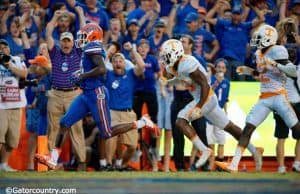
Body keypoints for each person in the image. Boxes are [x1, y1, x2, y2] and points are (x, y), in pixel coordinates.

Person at [35, 23, 156, 170]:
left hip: (97, 93)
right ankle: (53, 160)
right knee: (64, 123)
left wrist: (82, 75)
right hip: (86, 93)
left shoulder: (94, 48)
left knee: (107, 133)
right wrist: (81, 77)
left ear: (92, 36)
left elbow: (102, 69)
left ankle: (142, 122)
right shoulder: (87, 49)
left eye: (84, 35)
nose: (80, 38)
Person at [160, 38, 263, 171]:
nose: (164, 59)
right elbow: (174, 77)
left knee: (181, 120)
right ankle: (255, 150)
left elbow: (204, 84)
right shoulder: (174, 64)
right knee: (229, 127)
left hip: (205, 97)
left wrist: (198, 106)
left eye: (166, 55)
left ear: (175, 54)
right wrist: (167, 80)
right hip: (206, 99)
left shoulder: (188, 63)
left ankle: (204, 150)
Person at [216, 24, 300, 172]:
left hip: (280, 96)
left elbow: (292, 71)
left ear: (269, 39)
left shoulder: (278, 50)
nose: (257, 41)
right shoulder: (259, 54)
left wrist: (274, 64)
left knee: (297, 130)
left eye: (260, 38)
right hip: (265, 98)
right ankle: (234, 165)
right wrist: (248, 71)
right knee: (248, 128)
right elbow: (261, 75)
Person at [105, 43, 145, 171]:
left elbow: (142, 66)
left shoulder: (131, 73)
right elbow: (100, 63)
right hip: (112, 112)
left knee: (133, 145)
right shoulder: (108, 74)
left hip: (128, 113)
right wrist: (108, 53)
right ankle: (108, 164)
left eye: (120, 60)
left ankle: (122, 165)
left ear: (125, 63)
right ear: (111, 64)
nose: (117, 63)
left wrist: (133, 50)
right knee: (110, 136)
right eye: (115, 61)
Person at [0, 39, 28, 171]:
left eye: (4, 47)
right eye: (0, 48)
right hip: (1, 106)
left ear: (9, 49)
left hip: (16, 104)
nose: (2, 50)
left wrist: (9, 65)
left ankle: (3, 165)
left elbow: (24, 74)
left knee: (12, 140)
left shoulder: (16, 60)